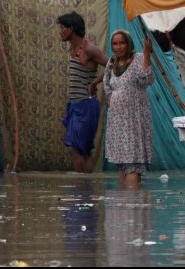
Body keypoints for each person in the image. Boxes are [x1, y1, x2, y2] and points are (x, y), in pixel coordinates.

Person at [57, 12, 109, 173]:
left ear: (71, 29)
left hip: (85, 105)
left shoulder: (89, 49)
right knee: (82, 151)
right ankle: (85, 193)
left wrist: (95, 82)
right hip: (75, 105)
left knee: (76, 148)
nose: (60, 31)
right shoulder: (74, 49)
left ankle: (80, 191)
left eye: (62, 28)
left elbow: (112, 65)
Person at [103, 29, 155, 186]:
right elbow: (106, 85)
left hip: (134, 118)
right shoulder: (111, 63)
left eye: (122, 43)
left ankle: (132, 205)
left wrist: (147, 54)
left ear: (129, 44)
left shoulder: (138, 58)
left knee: (132, 163)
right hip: (117, 120)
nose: (118, 47)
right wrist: (114, 101)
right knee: (121, 164)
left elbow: (146, 79)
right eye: (115, 43)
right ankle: (121, 207)